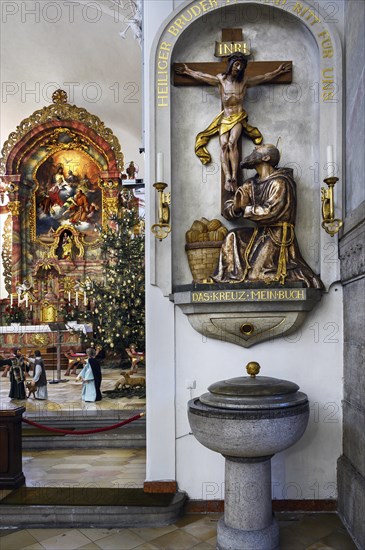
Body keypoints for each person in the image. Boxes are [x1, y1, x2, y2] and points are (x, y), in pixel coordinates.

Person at [213, 143, 324, 288]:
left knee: (257, 275)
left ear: (266, 157)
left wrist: (245, 208)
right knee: (232, 236)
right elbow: (231, 206)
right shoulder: (251, 184)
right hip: (259, 233)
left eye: (258, 149)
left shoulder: (280, 182)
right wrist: (235, 207)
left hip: (278, 236)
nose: (254, 148)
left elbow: (271, 211)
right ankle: (227, 277)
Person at [176, 53, 291, 192]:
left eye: (241, 66)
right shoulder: (221, 80)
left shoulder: (244, 81)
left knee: (232, 143)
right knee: (223, 145)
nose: (239, 68)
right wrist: (188, 71)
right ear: (231, 65)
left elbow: (264, 77)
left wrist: (278, 71)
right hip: (225, 117)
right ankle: (228, 176)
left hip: (238, 117)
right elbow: (202, 76)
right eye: (236, 64)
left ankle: (235, 176)